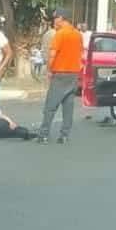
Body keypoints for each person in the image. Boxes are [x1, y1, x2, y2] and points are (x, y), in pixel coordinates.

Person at [37, 8, 83, 145]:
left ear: (61, 19)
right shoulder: (78, 35)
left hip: (60, 73)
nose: (54, 21)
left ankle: (43, 134)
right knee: (68, 106)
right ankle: (64, 135)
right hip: (73, 74)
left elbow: (52, 55)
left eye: (55, 19)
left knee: (50, 106)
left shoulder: (60, 34)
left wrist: (49, 70)